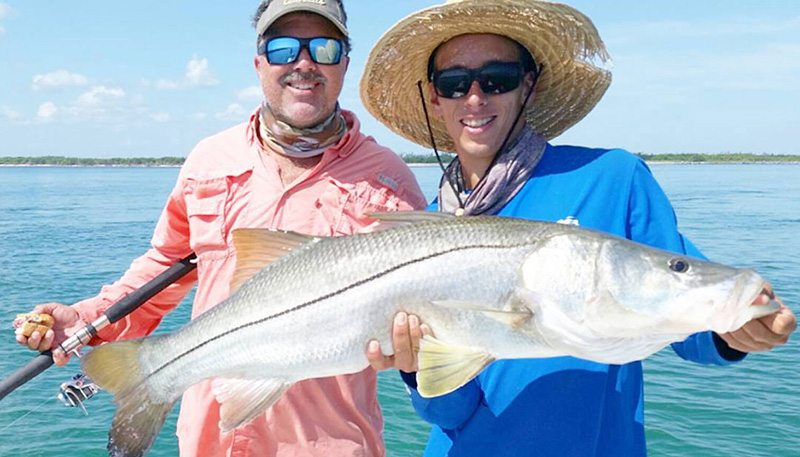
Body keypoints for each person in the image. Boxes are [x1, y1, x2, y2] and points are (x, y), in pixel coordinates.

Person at [360, 1, 797, 456]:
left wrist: (735, 327)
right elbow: (451, 414)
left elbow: (689, 322)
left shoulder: (612, 178)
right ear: (435, 97)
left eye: (498, 79)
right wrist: (415, 370)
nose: (475, 98)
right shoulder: (423, 230)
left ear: (528, 85)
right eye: (454, 83)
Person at [16, 1, 426, 456]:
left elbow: (422, 314)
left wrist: (413, 350)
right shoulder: (211, 159)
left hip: (328, 442)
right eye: (284, 48)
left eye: (324, 48)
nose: (304, 64)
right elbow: (164, 268)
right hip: (210, 440)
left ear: (345, 64)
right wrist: (89, 321)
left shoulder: (389, 179)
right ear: (259, 63)